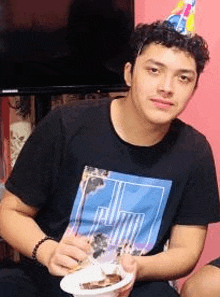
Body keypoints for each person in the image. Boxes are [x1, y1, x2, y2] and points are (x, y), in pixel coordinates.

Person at [0, 18, 219, 297]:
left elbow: (186, 250)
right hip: (50, 274)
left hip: (132, 283)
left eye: (183, 77)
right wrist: (48, 251)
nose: (167, 87)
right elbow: (10, 210)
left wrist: (138, 267)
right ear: (129, 74)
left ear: (194, 88)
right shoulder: (67, 125)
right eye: (154, 70)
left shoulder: (194, 151)